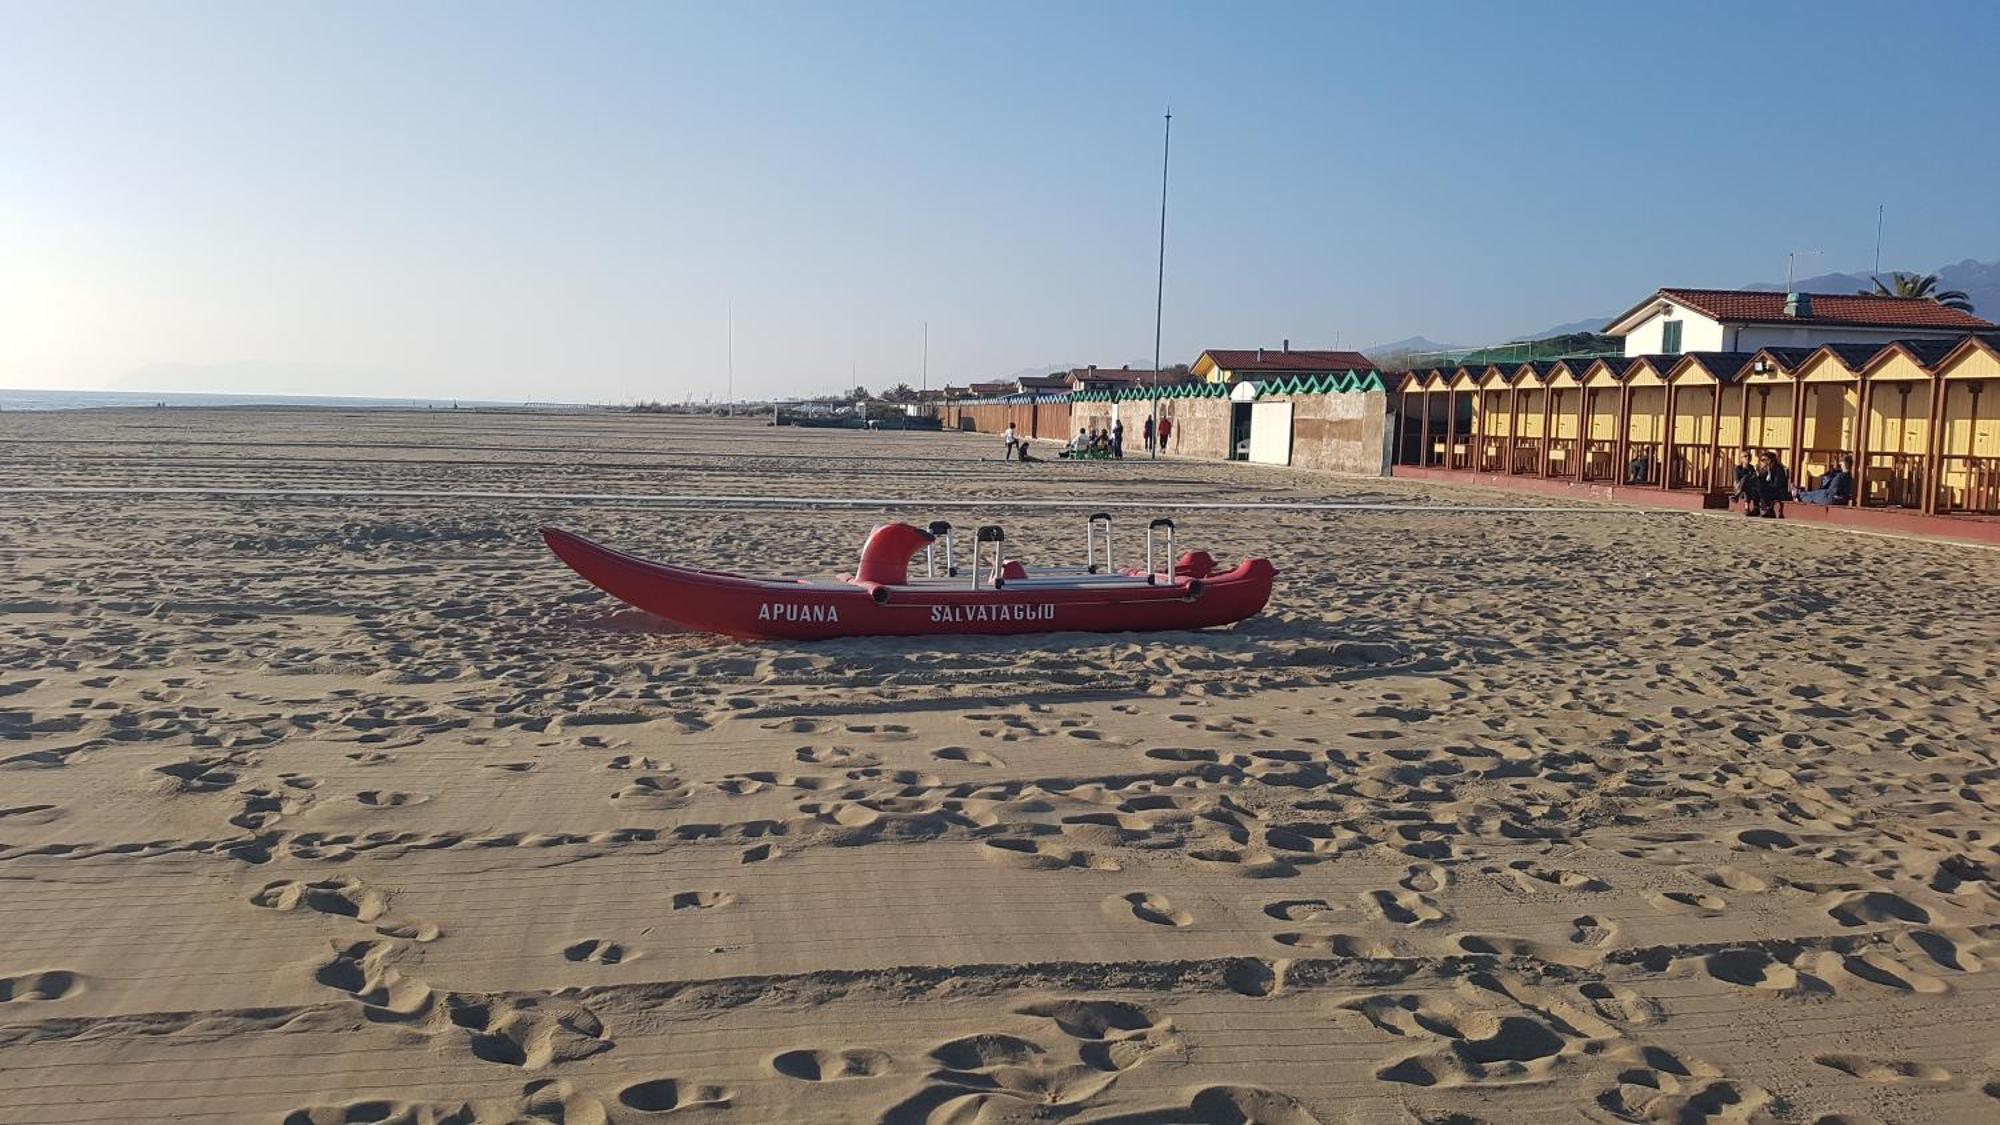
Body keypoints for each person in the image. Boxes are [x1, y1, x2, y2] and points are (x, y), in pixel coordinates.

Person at [1750, 450, 1789, 518]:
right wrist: (1758, 475)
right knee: (1754, 485)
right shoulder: (1765, 470)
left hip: (1778, 492)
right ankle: (1756, 508)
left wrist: (1764, 485)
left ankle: (1770, 509)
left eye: (1764, 460)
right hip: (1769, 490)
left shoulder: (1778, 469)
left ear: (1770, 460)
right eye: (1761, 460)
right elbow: (1761, 481)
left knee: (1760, 487)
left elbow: (1777, 485)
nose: (1762, 462)